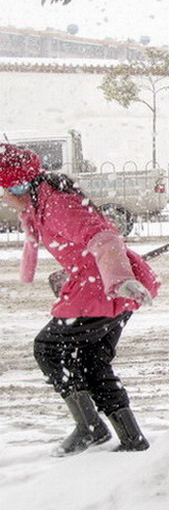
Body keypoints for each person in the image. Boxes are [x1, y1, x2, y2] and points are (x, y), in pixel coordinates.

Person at [0, 143, 160, 456]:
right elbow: (82, 244)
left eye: (2, 188)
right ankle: (131, 439)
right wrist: (70, 272)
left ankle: (91, 427)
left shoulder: (55, 204)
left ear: (17, 185)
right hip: (102, 287)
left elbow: (104, 237)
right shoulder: (42, 199)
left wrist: (119, 279)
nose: (3, 196)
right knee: (91, 360)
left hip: (103, 289)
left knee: (48, 349)